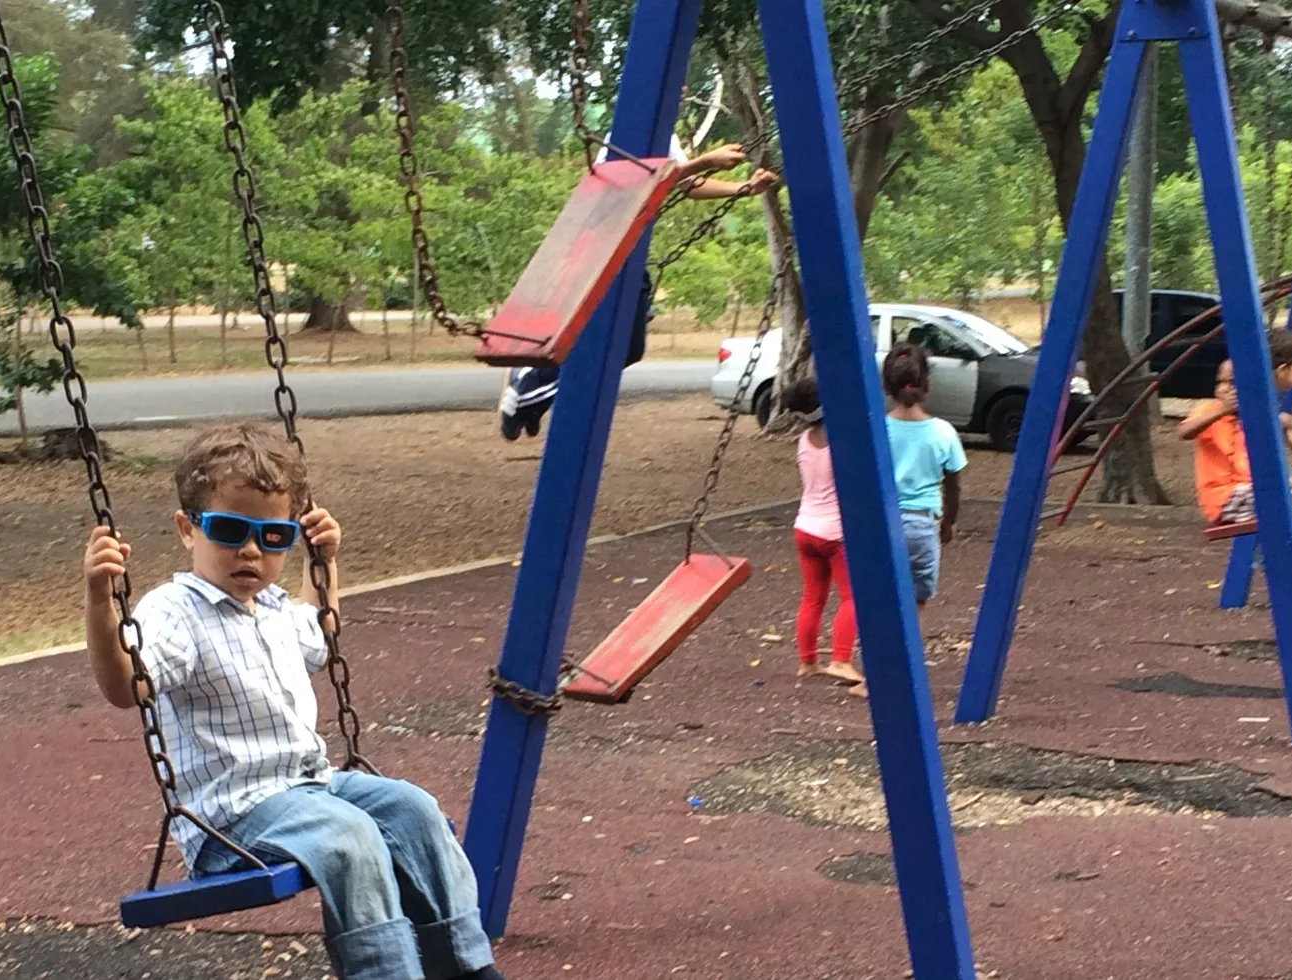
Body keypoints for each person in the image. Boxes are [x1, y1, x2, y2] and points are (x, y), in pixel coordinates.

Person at [82, 423, 502, 980]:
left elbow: (319, 636)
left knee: (412, 808)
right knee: (348, 835)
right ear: (188, 529)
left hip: (310, 786)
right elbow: (124, 686)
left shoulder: (274, 604)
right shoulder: (173, 612)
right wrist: (99, 597)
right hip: (233, 818)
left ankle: (463, 965)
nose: (252, 550)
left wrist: (322, 561)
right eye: (232, 530)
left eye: (274, 536)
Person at [499, 140, 781, 440]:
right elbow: (637, 181)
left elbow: (686, 183)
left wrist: (743, 187)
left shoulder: (666, 135)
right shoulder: (630, 128)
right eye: (680, 88)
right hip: (599, 245)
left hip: (627, 250)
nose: (683, 90)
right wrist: (707, 160)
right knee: (610, 346)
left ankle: (534, 392)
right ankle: (531, 378)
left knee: (630, 348)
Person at [1177, 336, 1292, 603]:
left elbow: (1273, 438)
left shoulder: (1254, 415)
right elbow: (1185, 431)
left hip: (1252, 493)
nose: (1225, 389)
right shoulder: (1212, 411)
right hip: (1223, 498)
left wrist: (1291, 468)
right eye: (1220, 383)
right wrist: (1221, 410)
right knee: (1282, 505)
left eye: (1232, 383)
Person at [786, 377, 864, 692]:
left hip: (805, 526)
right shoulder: (842, 441)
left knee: (812, 597)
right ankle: (841, 660)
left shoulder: (803, 440)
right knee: (852, 597)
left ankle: (807, 661)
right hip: (835, 532)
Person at [883, 343, 967, 622]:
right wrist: (948, 523)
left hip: (883, 524)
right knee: (917, 600)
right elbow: (953, 485)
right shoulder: (943, 432)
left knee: (884, 595)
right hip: (922, 524)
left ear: (887, 387)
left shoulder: (877, 430)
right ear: (927, 385)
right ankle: (910, 659)